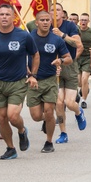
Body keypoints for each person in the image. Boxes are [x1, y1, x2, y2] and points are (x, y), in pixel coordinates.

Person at [0, 3, 38, 160]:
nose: (4, 17)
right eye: (1, 14)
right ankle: (10, 148)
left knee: (12, 116)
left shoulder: (24, 36)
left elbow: (35, 54)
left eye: (7, 14)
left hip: (17, 82)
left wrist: (33, 75)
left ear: (13, 17)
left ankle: (21, 130)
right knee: (1, 117)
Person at [29, 10, 71, 152]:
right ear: (36, 22)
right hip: (33, 80)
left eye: (48, 20)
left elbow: (69, 58)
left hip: (50, 80)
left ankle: (49, 142)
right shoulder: (29, 38)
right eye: (42, 20)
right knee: (35, 116)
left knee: (49, 111)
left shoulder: (56, 39)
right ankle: (48, 121)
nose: (45, 22)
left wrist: (61, 60)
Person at [51, 3, 85, 144]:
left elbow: (77, 43)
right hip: (54, 66)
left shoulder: (70, 26)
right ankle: (63, 133)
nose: (55, 12)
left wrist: (62, 35)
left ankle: (79, 112)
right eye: (52, 10)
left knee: (70, 103)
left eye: (57, 10)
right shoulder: (46, 26)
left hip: (69, 65)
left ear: (62, 13)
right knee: (58, 103)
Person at [77, 13, 91, 109]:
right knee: (79, 82)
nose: (83, 22)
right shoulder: (75, 31)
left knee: (84, 78)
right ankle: (85, 88)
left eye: (85, 20)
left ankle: (83, 100)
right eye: (82, 20)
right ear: (79, 21)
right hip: (77, 57)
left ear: (88, 21)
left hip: (87, 58)